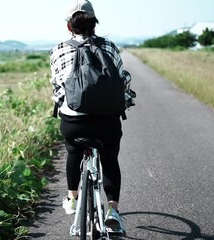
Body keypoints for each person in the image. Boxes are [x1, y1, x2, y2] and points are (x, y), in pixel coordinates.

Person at [49, 0, 130, 231]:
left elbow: (57, 87)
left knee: (73, 151)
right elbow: (123, 81)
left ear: (69, 27)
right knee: (110, 158)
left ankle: (73, 198)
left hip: (75, 122)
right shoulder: (110, 47)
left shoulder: (58, 50)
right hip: (107, 121)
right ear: (94, 23)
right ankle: (113, 209)